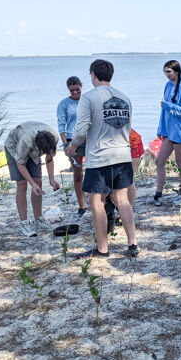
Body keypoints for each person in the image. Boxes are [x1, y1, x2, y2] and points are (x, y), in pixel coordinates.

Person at [66, 59, 139, 259]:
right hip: (123, 154)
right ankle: (132, 244)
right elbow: (127, 127)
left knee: (97, 202)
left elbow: (81, 129)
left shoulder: (88, 98)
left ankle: (102, 249)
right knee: (122, 200)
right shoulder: (125, 98)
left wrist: (73, 146)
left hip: (100, 157)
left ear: (93, 75)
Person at [4, 121, 61, 237]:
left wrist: (51, 179)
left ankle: (38, 220)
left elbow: (49, 158)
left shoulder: (53, 138)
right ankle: (24, 223)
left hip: (33, 146)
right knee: (22, 184)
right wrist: (32, 183)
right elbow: (20, 164)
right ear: (38, 148)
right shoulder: (26, 141)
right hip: (14, 146)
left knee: (38, 182)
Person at [153, 60, 181, 204]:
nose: (167, 74)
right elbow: (164, 111)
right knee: (159, 161)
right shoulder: (167, 85)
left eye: (169, 72)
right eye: (165, 72)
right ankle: (158, 193)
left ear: (176, 71)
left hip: (180, 131)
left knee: (180, 162)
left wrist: (170, 106)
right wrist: (161, 129)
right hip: (169, 131)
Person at [56, 76, 87, 219]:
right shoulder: (64, 104)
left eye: (77, 89)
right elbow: (61, 124)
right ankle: (82, 206)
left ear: (81, 86)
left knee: (94, 172)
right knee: (78, 174)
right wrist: (65, 144)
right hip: (71, 139)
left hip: (88, 138)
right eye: (72, 90)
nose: (75, 92)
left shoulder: (86, 100)